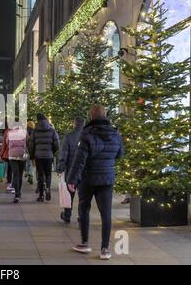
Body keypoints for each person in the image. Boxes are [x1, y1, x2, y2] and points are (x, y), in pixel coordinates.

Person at [67, 104, 123, 260]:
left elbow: (79, 161)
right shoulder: (115, 134)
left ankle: (85, 243)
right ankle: (105, 249)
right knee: (106, 213)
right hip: (107, 178)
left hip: (88, 179)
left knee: (84, 208)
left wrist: (71, 179)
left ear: (91, 117)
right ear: (105, 115)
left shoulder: (86, 134)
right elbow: (120, 154)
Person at [56, 116, 85, 223]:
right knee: (83, 196)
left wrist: (60, 169)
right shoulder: (87, 136)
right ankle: (82, 217)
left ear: (74, 124)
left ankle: (67, 215)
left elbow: (63, 154)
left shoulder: (68, 136)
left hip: (71, 170)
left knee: (69, 194)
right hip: (83, 171)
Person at [29, 113, 59, 202]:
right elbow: (57, 144)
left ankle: (41, 195)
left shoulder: (35, 131)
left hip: (38, 156)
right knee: (48, 174)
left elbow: (31, 145)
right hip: (49, 156)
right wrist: (52, 152)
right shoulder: (52, 130)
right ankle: (48, 188)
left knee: (40, 175)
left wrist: (32, 156)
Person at [0, 119, 28, 203]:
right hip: (22, 155)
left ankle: (16, 194)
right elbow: (27, 143)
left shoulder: (9, 133)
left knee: (15, 175)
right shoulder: (24, 132)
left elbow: (7, 143)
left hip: (12, 155)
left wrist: (2, 155)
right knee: (20, 175)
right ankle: (19, 193)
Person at [25, 120, 35, 185]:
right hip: (33, 149)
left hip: (26, 149)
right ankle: (31, 175)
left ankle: (27, 173)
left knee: (27, 162)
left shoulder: (25, 131)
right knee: (32, 163)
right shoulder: (35, 131)